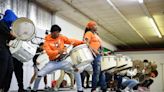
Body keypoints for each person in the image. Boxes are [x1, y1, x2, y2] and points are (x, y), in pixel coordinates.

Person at [32, 24, 84, 92]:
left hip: (63, 61)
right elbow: (49, 52)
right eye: (57, 33)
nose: (58, 34)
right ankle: (34, 89)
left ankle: (80, 89)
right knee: (39, 75)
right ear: (52, 32)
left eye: (59, 32)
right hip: (53, 63)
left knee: (76, 70)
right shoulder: (47, 42)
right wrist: (58, 51)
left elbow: (71, 41)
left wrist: (82, 42)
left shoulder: (61, 37)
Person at [83, 21, 107, 92]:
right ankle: (93, 89)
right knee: (96, 72)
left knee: (102, 71)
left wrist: (102, 52)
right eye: (94, 25)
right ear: (90, 27)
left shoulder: (96, 34)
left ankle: (103, 88)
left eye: (96, 25)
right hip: (93, 54)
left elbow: (99, 45)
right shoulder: (88, 33)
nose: (96, 26)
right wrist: (94, 50)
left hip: (98, 55)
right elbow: (86, 43)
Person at [0, 9, 17, 92]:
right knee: (2, 69)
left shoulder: (7, 26)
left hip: (5, 48)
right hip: (1, 48)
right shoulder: (1, 23)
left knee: (10, 69)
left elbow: (11, 37)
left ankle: (4, 89)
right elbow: (12, 35)